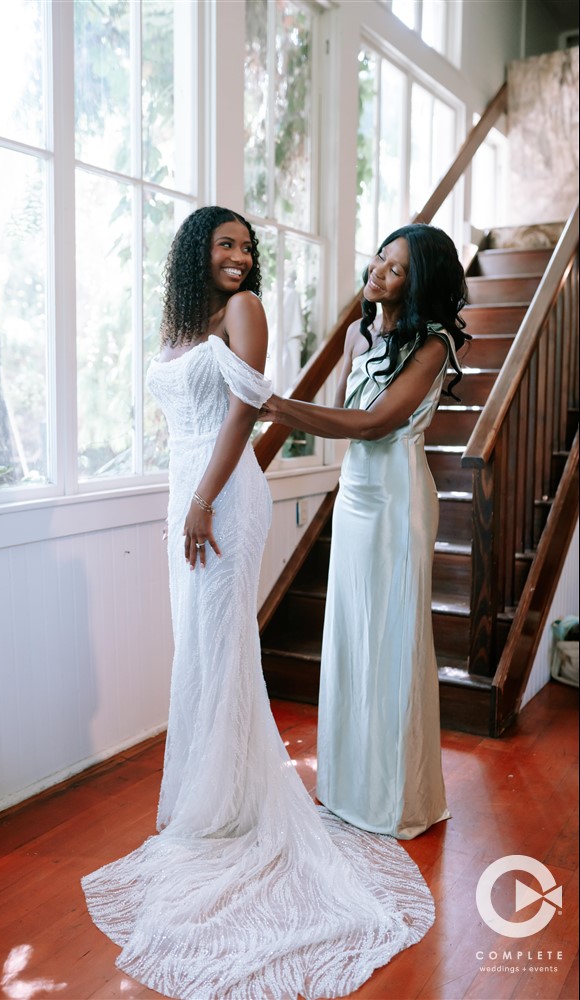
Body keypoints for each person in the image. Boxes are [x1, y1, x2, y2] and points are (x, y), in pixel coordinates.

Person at [82, 208, 436, 1000]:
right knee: (199, 648)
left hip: (223, 492)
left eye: (248, 246)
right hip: (187, 491)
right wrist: (185, 498)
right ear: (194, 253)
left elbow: (245, 410)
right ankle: (216, 799)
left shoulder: (245, 311)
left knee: (222, 644)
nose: (241, 257)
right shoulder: (188, 320)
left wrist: (205, 496)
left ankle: (232, 810)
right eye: (226, 244)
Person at [261, 222, 469, 840]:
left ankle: (395, 797)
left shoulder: (431, 345)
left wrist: (278, 406)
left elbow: (374, 422)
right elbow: (347, 413)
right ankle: (348, 787)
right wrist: (290, 409)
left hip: (398, 498)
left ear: (418, 282)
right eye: (381, 256)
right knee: (351, 633)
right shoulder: (357, 333)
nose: (379, 269)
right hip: (354, 496)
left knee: (393, 637)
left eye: (397, 267)